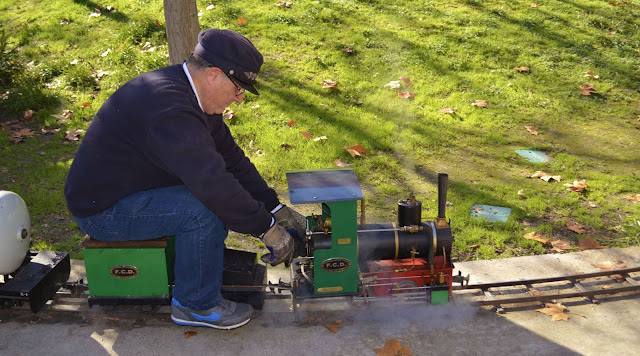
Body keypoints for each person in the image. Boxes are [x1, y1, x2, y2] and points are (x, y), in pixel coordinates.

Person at [64, 29, 304, 330]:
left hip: (129, 189)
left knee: (208, 201)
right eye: (239, 89)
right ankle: (196, 305)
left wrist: (273, 208)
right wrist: (267, 231)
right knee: (202, 210)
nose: (240, 99)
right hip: (103, 210)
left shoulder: (190, 94)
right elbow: (213, 185)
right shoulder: (170, 110)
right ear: (215, 75)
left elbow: (231, 160)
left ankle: (195, 285)